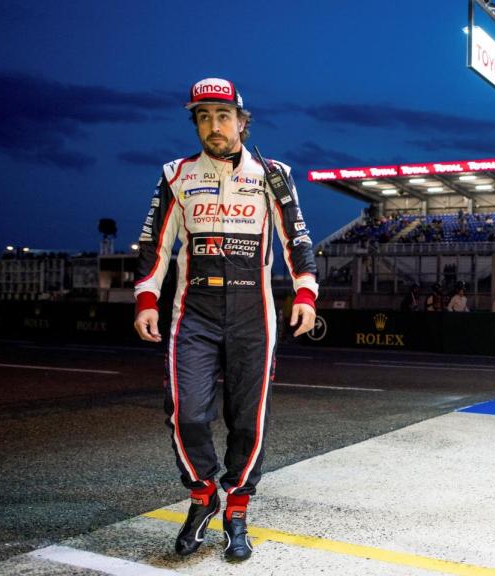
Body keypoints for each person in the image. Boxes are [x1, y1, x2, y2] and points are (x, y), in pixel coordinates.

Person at [132, 78, 318, 561]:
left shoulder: (274, 174)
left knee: (248, 420)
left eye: (222, 116)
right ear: (196, 123)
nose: (214, 126)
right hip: (192, 310)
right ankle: (201, 496)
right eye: (203, 117)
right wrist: (146, 298)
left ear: (241, 119)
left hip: (252, 313)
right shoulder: (176, 174)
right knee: (186, 413)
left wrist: (305, 291)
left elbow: (296, 236)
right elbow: (154, 242)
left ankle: (237, 506)